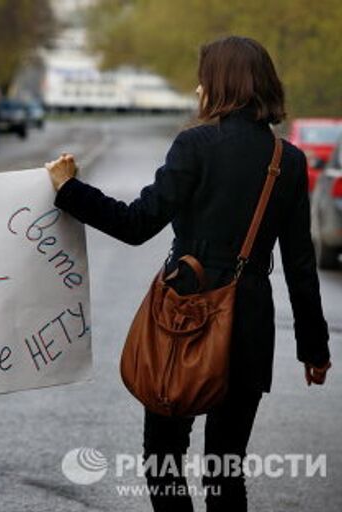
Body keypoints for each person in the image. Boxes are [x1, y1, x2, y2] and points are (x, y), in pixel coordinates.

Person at [45, 36, 331, 512]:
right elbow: (301, 264)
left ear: (218, 83)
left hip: (184, 314)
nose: (198, 86)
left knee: (163, 459)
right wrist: (314, 349)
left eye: (204, 76)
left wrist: (70, 190)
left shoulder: (195, 145)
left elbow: (136, 225)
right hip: (249, 324)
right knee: (226, 469)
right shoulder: (290, 160)